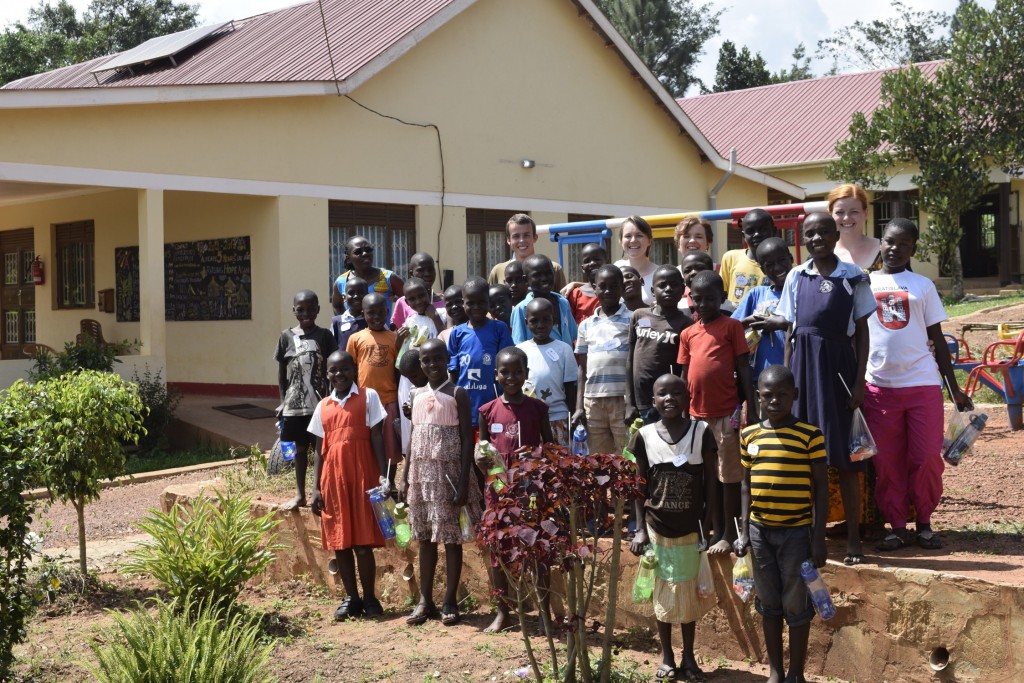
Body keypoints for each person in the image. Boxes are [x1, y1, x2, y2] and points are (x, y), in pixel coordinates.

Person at [864, 218, 972, 552]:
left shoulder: (923, 285)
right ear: (880, 243)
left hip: (922, 385)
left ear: (913, 248)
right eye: (889, 241)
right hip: (878, 388)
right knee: (887, 462)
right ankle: (896, 526)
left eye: (903, 244)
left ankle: (924, 523)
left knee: (926, 457)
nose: (894, 248)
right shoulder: (862, 284)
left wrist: (953, 389)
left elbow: (937, 339)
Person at [774, 212, 875, 566]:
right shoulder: (796, 276)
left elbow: (862, 332)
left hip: (838, 371)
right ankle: (809, 538)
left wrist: (859, 383)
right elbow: (789, 331)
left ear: (836, 234)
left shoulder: (854, 278)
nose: (817, 238)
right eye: (809, 234)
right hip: (802, 371)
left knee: (846, 460)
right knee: (806, 460)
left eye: (823, 232)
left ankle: (853, 542)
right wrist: (788, 382)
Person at [734, 364, 828, 683]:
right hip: (760, 533)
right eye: (768, 396)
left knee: (797, 602)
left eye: (782, 395)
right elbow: (746, 484)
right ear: (758, 397)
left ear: (795, 396)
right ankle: (775, 671)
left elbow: (821, 489)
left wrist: (818, 538)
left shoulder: (810, 435)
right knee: (769, 602)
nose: (775, 401)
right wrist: (745, 531)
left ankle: (796, 674)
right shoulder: (749, 435)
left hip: (797, 533)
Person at [629, 374, 717, 683]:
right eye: (662, 394)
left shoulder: (702, 432)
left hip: (691, 530)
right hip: (657, 530)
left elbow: (711, 485)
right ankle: (666, 656)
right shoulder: (644, 436)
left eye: (677, 393)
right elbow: (638, 488)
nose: (670, 399)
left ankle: (689, 656)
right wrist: (640, 529)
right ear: (653, 400)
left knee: (689, 596)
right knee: (663, 594)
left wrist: (709, 527)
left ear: (687, 398)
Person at [400, 339, 481, 626]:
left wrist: (462, 480)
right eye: (426, 360)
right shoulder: (416, 394)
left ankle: (449, 600)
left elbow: (466, 440)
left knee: (451, 538)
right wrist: (405, 475)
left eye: (438, 359)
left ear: (447, 359)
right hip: (422, 476)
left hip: (449, 476)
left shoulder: (458, 393)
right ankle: (425, 600)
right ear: (420, 364)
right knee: (424, 538)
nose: (432, 365)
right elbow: (412, 439)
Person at [677, 271, 757, 553]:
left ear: (722, 298)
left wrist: (752, 407)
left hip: (726, 415)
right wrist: (684, 414)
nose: (704, 303)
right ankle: (708, 530)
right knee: (704, 478)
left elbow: (744, 368)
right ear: (691, 300)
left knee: (729, 477)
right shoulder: (688, 333)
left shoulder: (732, 327)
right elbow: (686, 374)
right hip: (697, 418)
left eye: (710, 298)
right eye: (697, 298)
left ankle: (728, 532)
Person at [308, 350, 389, 620]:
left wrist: (383, 474)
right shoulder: (323, 406)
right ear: (327, 374)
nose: (339, 374)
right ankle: (351, 598)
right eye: (333, 370)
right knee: (340, 542)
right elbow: (320, 449)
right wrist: (316, 488)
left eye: (344, 369)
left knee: (363, 542)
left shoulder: (369, 397)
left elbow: (377, 436)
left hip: (363, 475)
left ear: (353, 370)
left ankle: (370, 598)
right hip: (333, 480)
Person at [478, 347, 553, 633]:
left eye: (517, 371)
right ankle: (503, 612)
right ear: (496, 375)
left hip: (531, 488)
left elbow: (550, 447)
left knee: (537, 547)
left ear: (526, 374)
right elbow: (483, 452)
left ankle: (544, 611)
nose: (511, 377)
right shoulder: (487, 411)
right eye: (504, 372)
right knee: (499, 549)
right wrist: (486, 464)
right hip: (497, 490)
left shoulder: (537, 408)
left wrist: (538, 475)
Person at [274, 289, 338, 511]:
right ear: (294, 311)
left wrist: (332, 399)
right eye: (301, 310)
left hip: (319, 404)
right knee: (300, 450)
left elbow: (333, 368)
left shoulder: (325, 336)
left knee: (321, 450)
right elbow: (282, 373)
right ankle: (300, 494)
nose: (306, 313)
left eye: (311, 309)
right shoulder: (286, 337)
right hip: (294, 406)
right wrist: (283, 401)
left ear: (318, 310)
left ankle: (317, 492)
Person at [573, 265, 631, 455]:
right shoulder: (586, 325)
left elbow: (635, 362)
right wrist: (579, 406)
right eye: (602, 286)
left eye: (614, 286)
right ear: (594, 288)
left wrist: (631, 402)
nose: (608, 291)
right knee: (599, 459)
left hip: (622, 400)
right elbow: (582, 368)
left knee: (627, 455)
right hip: (593, 402)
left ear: (622, 288)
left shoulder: (632, 319)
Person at [446, 278, 515, 438]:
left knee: (492, 456)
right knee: (468, 454)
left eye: (481, 302)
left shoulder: (499, 329)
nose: (476, 307)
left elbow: (508, 363)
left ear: (488, 302)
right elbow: (453, 373)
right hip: (465, 408)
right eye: (471, 303)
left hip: (493, 405)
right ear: (464, 303)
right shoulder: (457, 333)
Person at [626, 266, 690, 425]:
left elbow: (684, 368)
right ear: (652, 290)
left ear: (682, 289)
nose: (668, 289)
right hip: (641, 402)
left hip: (669, 403)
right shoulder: (639, 316)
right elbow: (630, 359)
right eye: (662, 285)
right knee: (643, 446)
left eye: (674, 285)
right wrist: (629, 402)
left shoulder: (686, 324)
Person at [346, 293, 401, 470]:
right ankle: (371, 480)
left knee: (390, 445)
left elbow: (397, 371)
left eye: (380, 312)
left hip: (388, 400)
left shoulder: (394, 338)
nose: (376, 317)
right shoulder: (356, 338)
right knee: (367, 443)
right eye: (371, 313)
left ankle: (389, 483)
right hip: (365, 402)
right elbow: (350, 370)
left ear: (387, 311)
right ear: (363, 313)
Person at [517, 297, 577, 447]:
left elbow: (571, 387)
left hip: (558, 417)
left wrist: (573, 418)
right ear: (526, 322)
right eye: (534, 321)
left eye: (546, 320)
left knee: (560, 464)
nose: (540, 325)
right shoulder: (520, 351)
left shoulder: (564, 349)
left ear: (554, 320)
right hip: (529, 419)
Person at [733, 237, 794, 381]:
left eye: (782, 260)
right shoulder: (757, 294)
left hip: (795, 374)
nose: (778, 268)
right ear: (762, 269)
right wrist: (749, 321)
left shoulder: (801, 291)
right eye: (770, 264)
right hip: (761, 376)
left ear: (790, 259)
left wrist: (782, 324)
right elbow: (731, 328)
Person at [509, 254, 577, 345]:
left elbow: (572, 336)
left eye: (548, 273)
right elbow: (519, 344)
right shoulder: (521, 309)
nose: (544, 278)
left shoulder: (562, 302)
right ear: (525, 280)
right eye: (537, 275)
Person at [486, 213, 566, 290]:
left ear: (535, 237)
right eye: (516, 236)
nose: (521, 240)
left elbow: (563, 301)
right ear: (508, 240)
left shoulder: (553, 269)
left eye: (526, 235)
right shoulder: (498, 271)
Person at [331, 235, 404, 317]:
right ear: (348, 258)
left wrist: (399, 323)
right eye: (358, 252)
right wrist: (344, 323)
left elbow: (409, 300)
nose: (365, 254)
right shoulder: (341, 281)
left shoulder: (388, 278)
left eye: (368, 250)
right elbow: (337, 306)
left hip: (383, 329)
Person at [719, 209, 777, 305]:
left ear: (774, 231)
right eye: (750, 231)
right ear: (743, 236)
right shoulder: (730, 258)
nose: (757, 234)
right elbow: (722, 295)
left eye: (763, 229)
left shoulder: (782, 263)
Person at [830, 183, 882, 272]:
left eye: (854, 212)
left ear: (865, 213)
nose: (846, 218)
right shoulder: (821, 255)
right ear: (830, 214)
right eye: (840, 212)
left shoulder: (886, 251)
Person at [391, 253, 446, 329]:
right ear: (411, 273)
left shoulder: (445, 301)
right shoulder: (402, 303)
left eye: (430, 269)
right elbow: (399, 333)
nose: (427, 274)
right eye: (420, 270)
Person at [615, 215, 659, 304]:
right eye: (628, 236)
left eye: (639, 235)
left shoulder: (659, 274)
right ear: (621, 241)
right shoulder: (616, 268)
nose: (633, 240)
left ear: (649, 241)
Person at [567, 243, 606, 325]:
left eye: (597, 259)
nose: (592, 263)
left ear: (606, 262)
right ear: (582, 268)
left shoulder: (611, 291)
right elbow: (569, 323)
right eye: (587, 261)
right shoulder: (575, 294)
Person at [331, 275, 368, 352]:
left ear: (367, 295)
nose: (356, 296)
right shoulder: (337, 321)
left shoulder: (372, 320)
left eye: (361, 292)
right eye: (351, 293)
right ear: (344, 297)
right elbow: (331, 348)